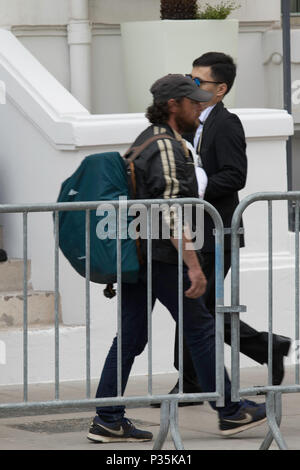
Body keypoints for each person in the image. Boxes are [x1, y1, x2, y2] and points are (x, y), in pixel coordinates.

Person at [87, 74, 267, 444]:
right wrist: (194, 265)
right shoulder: (166, 146)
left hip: (142, 257)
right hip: (163, 258)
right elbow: (171, 211)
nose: (200, 107)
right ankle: (231, 411)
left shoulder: (146, 142)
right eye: (193, 101)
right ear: (173, 105)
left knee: (131, 337)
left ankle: (107, 418)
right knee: (200, 328)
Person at [165, 52, 291, 404]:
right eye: (189, 80)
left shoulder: (226, 123)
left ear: (219, 89)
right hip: (195, 232)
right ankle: (267, 347)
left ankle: (191, 380)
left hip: (219, 232)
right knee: (199, 306)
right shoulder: (187, 123)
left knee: (196, 305)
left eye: (198, 82)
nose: (191, 87)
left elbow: (235, 176)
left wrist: (196, 187)